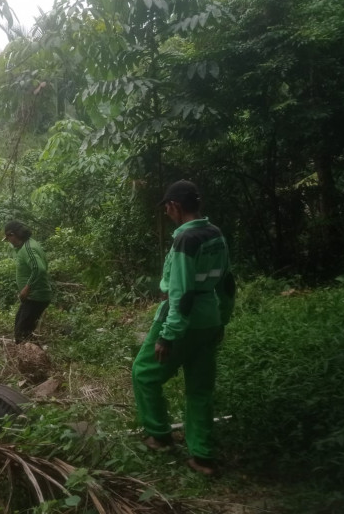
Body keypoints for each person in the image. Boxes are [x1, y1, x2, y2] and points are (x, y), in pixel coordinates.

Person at [131, 180, 236, 476]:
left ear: (175, 206)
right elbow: (227, 282)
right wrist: (222, 320)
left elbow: (182, 294)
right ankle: (202, 457)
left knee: (144, 374)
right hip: (210, 319)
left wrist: (167, 335)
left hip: (183, 322)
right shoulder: (216, 234)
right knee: (200, 389)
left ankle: (160, 436)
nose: (166, 212)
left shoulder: (185, 241)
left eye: (166, 206)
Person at [3, 220, 52, 343]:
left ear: (12, 235)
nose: (8, 241)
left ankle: (33, 359)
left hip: (36, 297)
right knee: (21, 329)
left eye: (8, 238)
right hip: (31, 297)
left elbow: (39, 269)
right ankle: (32, 355)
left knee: (21, 334)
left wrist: (27, 287)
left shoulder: (28, 249)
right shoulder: (26, 245)